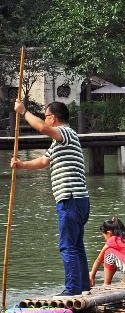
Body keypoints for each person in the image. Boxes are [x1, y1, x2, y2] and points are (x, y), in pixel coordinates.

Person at [10, 100, 90, 296]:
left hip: (71, 198)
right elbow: (44, 161)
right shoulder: (59, 142)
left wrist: (23, 112)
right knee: (76, 245)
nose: (45, 119)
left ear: (53, 118)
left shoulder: (66, 133)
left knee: (67, 246)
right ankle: (84, 287)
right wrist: (21, 165)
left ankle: (72, 289)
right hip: (78, 200)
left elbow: (42, 127)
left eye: (46, 116)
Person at [89, 217, 125, 286]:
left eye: (104, 236)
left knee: (109, 252)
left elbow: (99, 260)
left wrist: (92, 275)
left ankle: (106, 284)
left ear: (109, 233)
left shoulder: (113, 240)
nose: (104, 239)